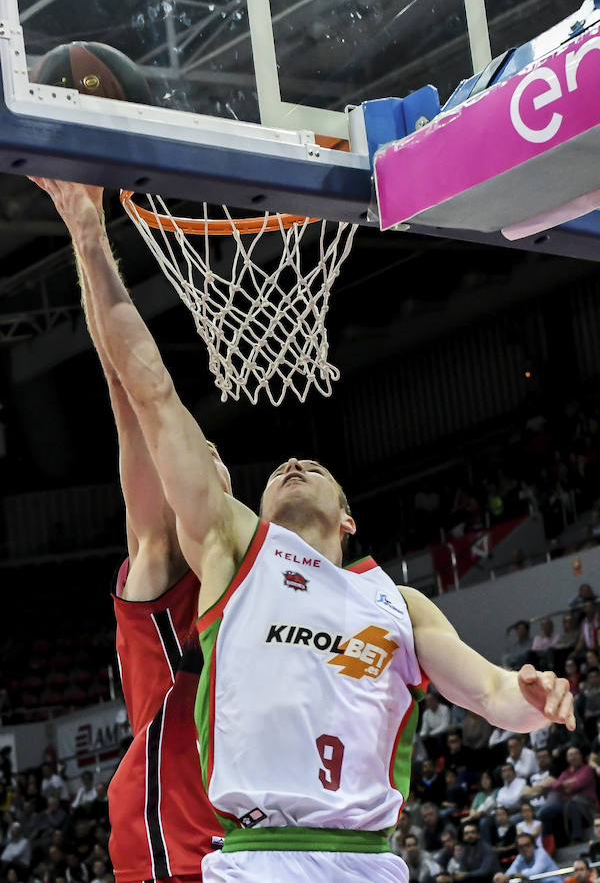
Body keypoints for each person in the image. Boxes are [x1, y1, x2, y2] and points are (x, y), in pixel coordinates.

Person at [33, 176, 576, 883]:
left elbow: (488, 693)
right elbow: (151, 393)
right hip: (254, 856)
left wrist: (532, 703)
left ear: (348, 517)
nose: (292, 462)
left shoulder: (398, 603)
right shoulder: (235, 552)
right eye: (279, 468)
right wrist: (88, 231)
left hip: (368, 860)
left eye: (313, 466)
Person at [29, 181, 227, 882]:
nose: (195, 461)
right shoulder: (168, 559)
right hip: (176, 857)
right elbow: (131, 392)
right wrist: (88, 236)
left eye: (210, 456)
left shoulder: (268, 575)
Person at [492, 833, 559, 883]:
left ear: (533, 845)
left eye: (527, 845)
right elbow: (509, 872)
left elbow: (534, 872)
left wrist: (510, 876)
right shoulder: (520, 857)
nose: (524, 849)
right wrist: (501, 876)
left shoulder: (541, 853)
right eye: (521, 846)